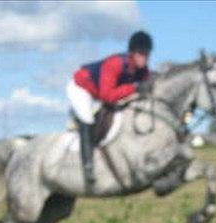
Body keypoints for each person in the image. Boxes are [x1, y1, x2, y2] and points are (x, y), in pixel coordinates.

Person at [66, 30, 153, 187]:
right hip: (82, 87)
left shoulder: (143, 71)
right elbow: (107, 96)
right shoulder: (115, 63)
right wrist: (133, 89)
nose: (144, 57)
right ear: (132, 53)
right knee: (87, 118)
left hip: (99, 93)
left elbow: (147, 86)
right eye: (141, 53)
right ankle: (88, 166)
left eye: (147, 54)